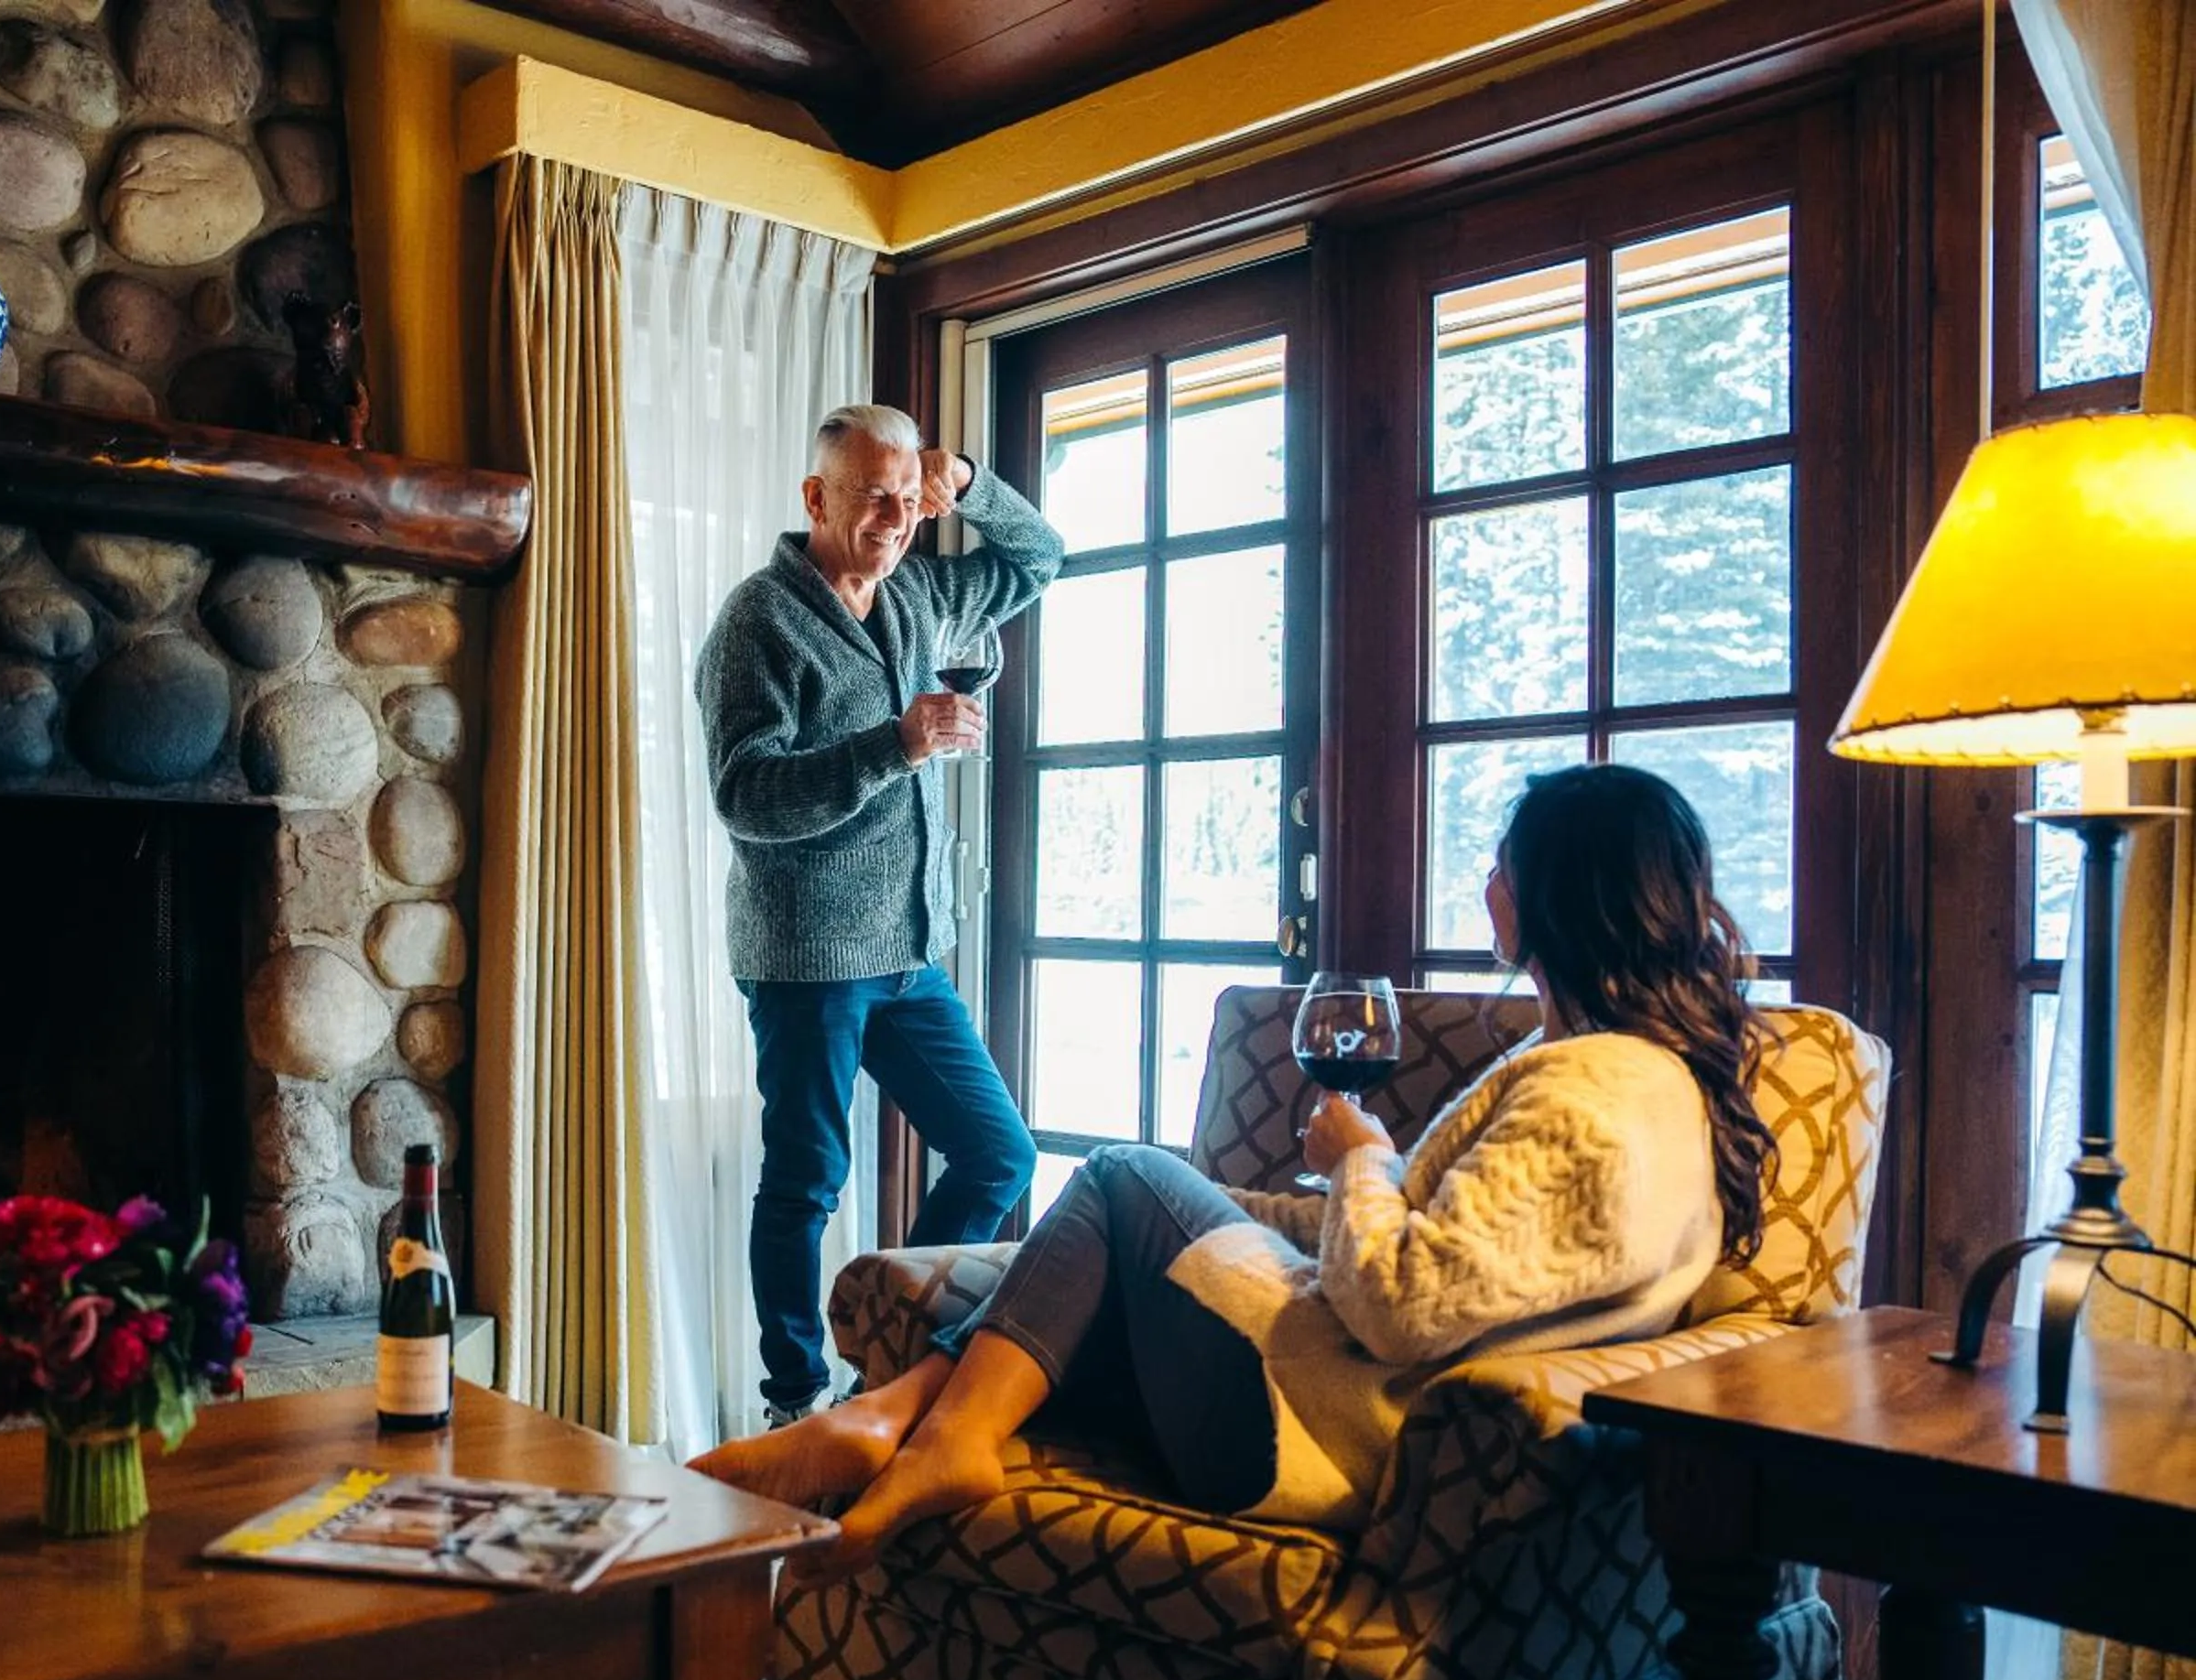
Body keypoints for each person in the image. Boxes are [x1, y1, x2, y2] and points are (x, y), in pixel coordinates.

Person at [695, 763, 1777, 1573]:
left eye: (1505, 863)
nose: (1488, 880)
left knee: (1119, 1170)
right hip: (1317, 1407)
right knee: (1115, 1226)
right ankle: (896, 1416)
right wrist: (1233, 1205)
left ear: (1556, 897)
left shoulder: (1589, 1096)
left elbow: (1402, 1297)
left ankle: (931, 1428)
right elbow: (1439, 1254)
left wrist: (1362, 1159)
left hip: (1304, 1434)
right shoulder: (1641, 1082)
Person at [694, 405, 1066, 1429]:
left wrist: (972, 483)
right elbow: (745, 794)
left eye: (910, 500)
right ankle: (794, 1397)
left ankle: (899, 1354)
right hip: (805, 952)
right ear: (816, 497)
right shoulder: (757, 624)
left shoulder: (917, 593)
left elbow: (1042, 558)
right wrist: (891, 748)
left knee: (1000, 1155)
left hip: (907, 951)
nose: (897, 520)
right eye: (874, 498)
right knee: (809, 1177)